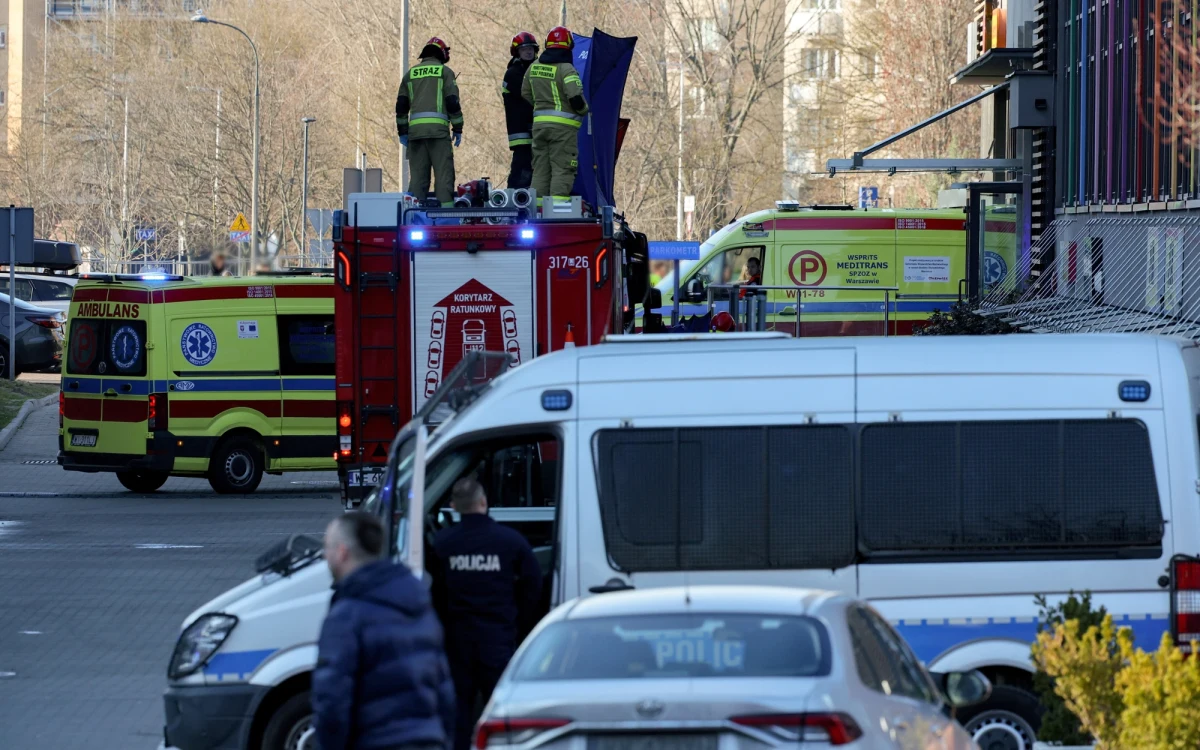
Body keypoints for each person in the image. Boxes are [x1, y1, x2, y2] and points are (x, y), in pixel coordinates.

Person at [312, 512, 456, 750]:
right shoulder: (418, 602)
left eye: (327, 547)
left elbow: (332, 704)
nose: (325, 555)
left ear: (342, 552)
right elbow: (445, 693)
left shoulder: (346, 615)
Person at [431, 477, 542, 750]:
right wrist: (519, 623)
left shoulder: (441, 544)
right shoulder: (511, 542)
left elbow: (432, 592)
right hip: (498, 640)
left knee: (459, 715)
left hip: (457, 643)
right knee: (502, 713)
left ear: (454, 506)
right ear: (484, 503)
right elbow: (534, 585)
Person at [521, 26, 588, 201]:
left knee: (541, 170)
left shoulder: (533, 67)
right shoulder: (566, 69)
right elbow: (575, 98)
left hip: (540, 128)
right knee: (563, 169)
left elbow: (525, 92)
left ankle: (537, 212)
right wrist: (583, 111)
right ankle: (557, 215)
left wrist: (542, 107)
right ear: (568, 46)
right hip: (563, 131)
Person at [397, 38, 464, 207]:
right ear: (441, 53)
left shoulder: (410, 74)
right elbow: (452, 101)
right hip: (438, 134)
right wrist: (458, 127)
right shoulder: (445, 72)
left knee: (418, 179)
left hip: (415, 135)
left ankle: (414, 215)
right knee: (443, 176)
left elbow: (401, 106)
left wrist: (403, 132)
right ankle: (445, 218)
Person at [502, 32, 538, 189]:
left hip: (537, 128)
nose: (529, 52)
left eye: (531, 48)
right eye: (524, 49)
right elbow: (528, 96)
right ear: (517, 52)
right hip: (521, 130)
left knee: (535, 168)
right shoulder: (513, 73)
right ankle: (514, 199)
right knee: (521, 167)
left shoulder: (537, 69)